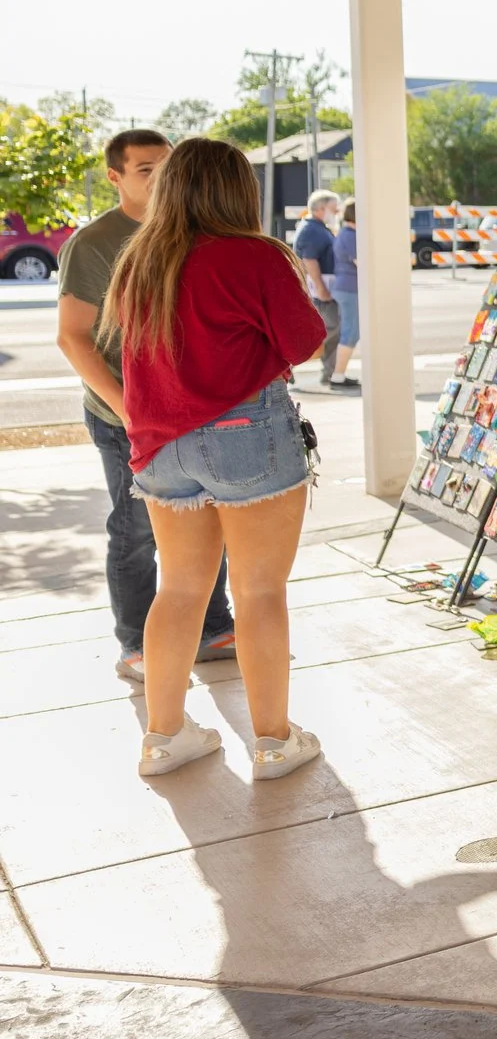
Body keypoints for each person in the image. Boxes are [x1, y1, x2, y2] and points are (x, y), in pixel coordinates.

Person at [102, 137, 329, 780]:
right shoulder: (253, 256)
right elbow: (305, 340)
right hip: (244, 432)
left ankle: (164, 737)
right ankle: (274, 742)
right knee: (258, 591)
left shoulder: (139, 259)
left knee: (177, 589)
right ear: (238, 190)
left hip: (158, 445)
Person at [55, 128, 236, 682]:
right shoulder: (94, 243)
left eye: (166, 166)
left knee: (208, 517)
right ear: (115, 176)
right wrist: (128, 411)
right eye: (144, 169)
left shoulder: (193, 229)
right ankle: (135, 641)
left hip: (193, 410)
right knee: (137, 530)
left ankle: (212, 626)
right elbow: (73, 337)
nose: (159, 178)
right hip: (124, 416)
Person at [293, 189, 351, 390]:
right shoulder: (313, 231)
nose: (335, 214)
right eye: (333, 209)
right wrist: (321, 288)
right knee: (329, 331)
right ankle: (294, 366)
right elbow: (309, 261)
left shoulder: (316, 228)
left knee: (331, 331)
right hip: (322, 291)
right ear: (320, 209)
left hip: (323, 289)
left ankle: (331, 372)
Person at [330, 200, 360, 388]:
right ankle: (338, 376)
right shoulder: (351, 236)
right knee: (351, 332)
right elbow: (361, 262)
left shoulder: (345, 233)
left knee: (350, 331)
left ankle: (338, 374)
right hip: (350, 288)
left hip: (345, 287)